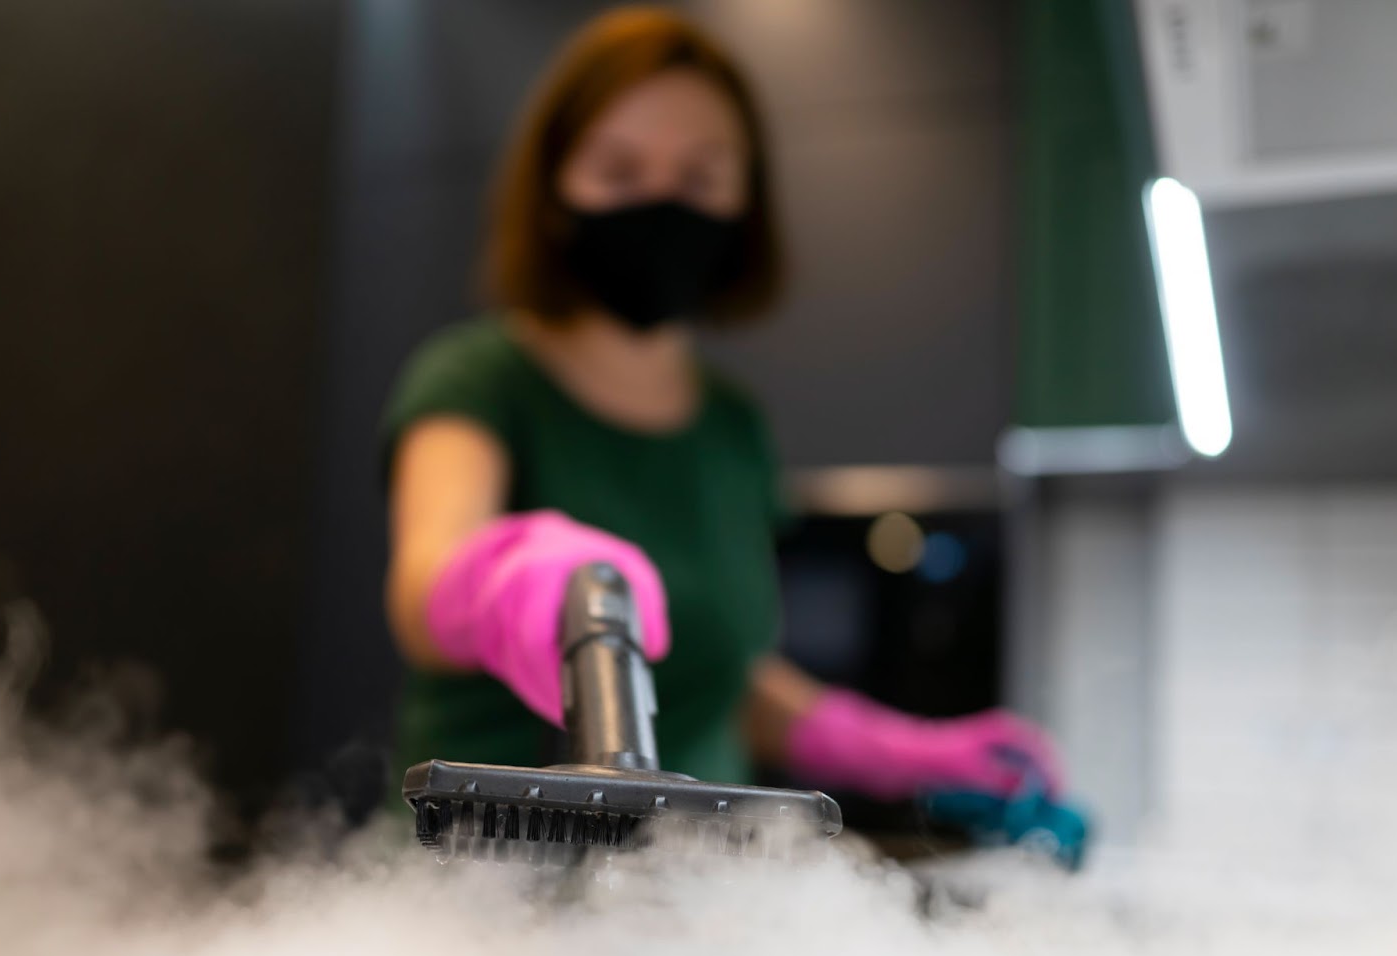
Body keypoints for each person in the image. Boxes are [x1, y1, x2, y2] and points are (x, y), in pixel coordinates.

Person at [381, 7, 1064, 813]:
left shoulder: (732, 429)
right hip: (475, 885)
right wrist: (507, 578)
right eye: (621, 171)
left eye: (700, 177)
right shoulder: (479, 378)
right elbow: (424, 585)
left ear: (744, 208)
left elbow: (725, 673)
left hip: (676, 895)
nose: (662, 203)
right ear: (555, 191)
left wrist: (892, 750)